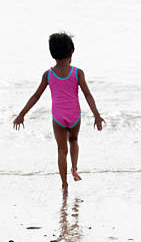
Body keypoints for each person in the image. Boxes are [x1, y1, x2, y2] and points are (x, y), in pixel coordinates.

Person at [13, 32, 104, 194]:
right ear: (71, 52)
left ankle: (64, 184)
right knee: (74, 140)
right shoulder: (78, 73)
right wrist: (96, 115)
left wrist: (22, 114)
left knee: (62, 150)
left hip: (58, 117)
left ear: (52, 53)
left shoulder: (48, 74)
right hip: (74, 115)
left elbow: (36, 96)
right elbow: (87, 95)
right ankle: (74, 168)